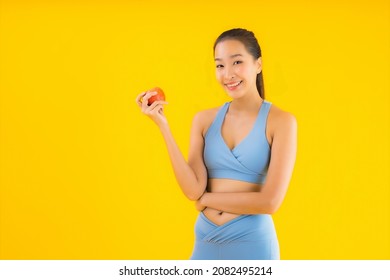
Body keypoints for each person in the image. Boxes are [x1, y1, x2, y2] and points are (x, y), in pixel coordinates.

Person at [135, 28, 297, 260]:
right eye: (220, 65)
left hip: (252, 245)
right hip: (205, 241)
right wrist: (163, 126)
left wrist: (208, 199)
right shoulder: (204, 120)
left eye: (237, 62)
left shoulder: (281, 122)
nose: (227, 74)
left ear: (258, 65)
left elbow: (269, 202)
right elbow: (193, 189)